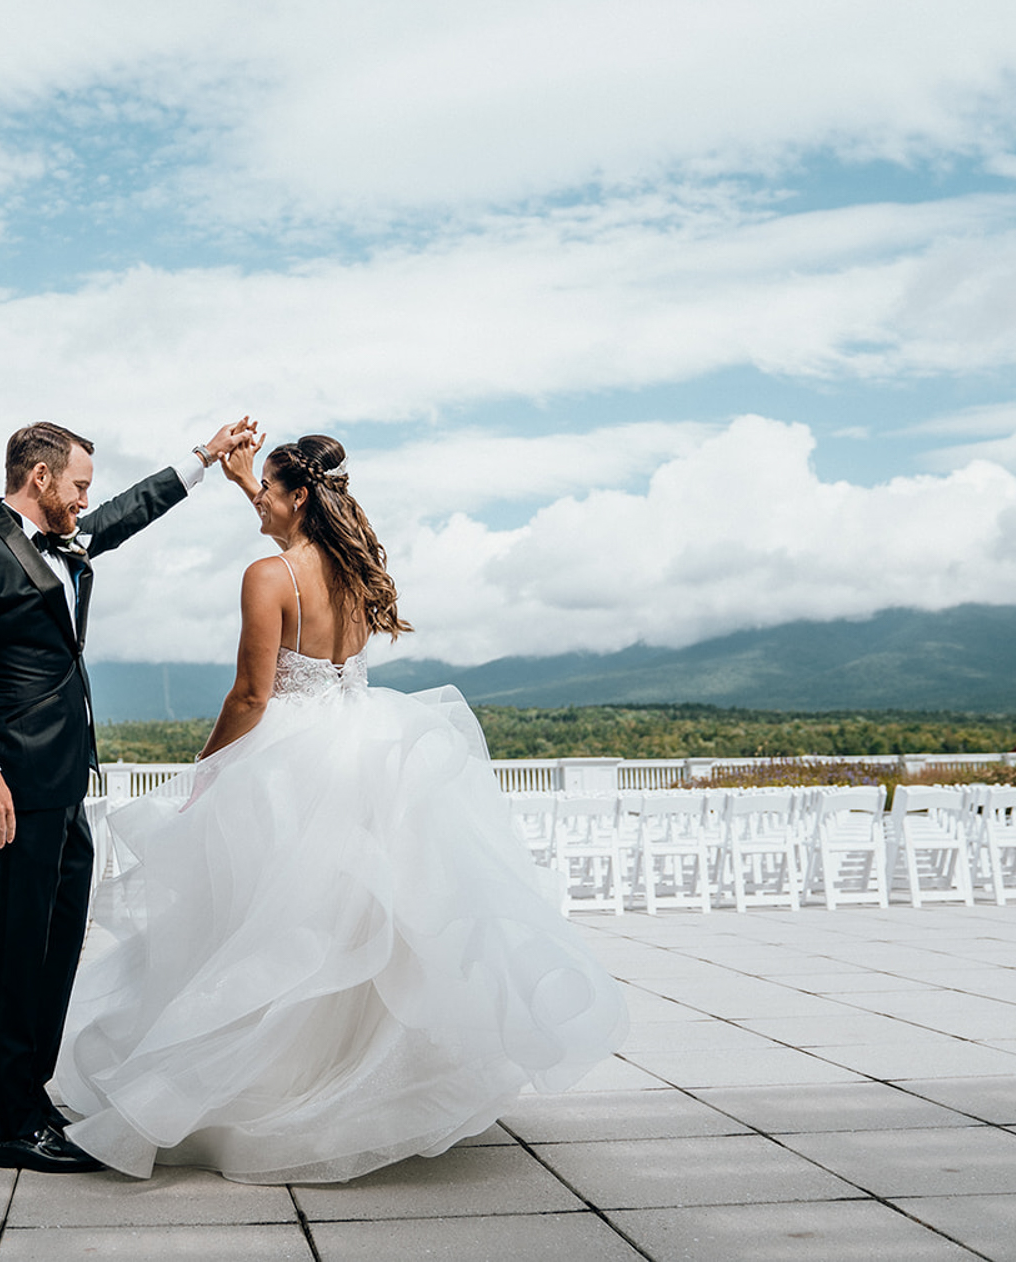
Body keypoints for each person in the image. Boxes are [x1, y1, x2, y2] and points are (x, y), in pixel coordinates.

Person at [52, 433, 629, 1183]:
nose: (257, 498)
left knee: (260, 932)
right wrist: (237, 480)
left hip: (288, 763)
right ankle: (334, 1091)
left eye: (266, 487)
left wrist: (208, 768)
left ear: (294, 497)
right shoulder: (355, 569)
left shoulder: (266, 575)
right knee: (340, 930)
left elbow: (253, 695)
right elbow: (293, 538)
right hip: (361, 752)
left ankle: (218, 1095)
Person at [0, 417, 257, 1174]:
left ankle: (31, 1096)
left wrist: (202, 459)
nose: (84, 501)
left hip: (68, 782)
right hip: (15, 786)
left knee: (58, 946)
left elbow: (125, 513)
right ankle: (9, 1125)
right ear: (39, 479)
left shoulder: (65, 542)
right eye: (76, 486)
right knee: (19, 952)